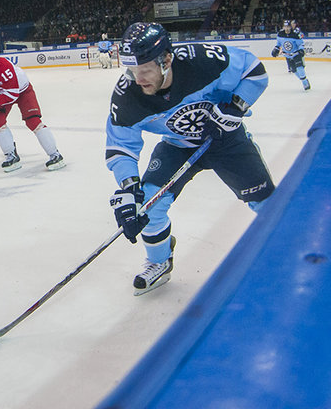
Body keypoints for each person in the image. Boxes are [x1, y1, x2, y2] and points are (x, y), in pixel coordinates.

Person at [106, 22, 274, 295]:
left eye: (145, 70)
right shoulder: (128, 96)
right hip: (177, 146)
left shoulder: (203, 60)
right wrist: (129, 189)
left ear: (166, 60)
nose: (138, 79)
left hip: (226, 139)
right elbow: (120, 147)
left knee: (265, 200)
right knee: (148, 206)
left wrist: (235, 108)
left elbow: (255, 71)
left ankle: (290, 247)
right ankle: (159, 261)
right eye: (131, 70)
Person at [0, 39, 65, 172]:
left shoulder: (2, 65)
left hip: (22, 90)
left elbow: (13, 94)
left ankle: (55, 155)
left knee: (33, 121)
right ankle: (11, 156)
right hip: (2, 91)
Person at [271, 20, 311, 90]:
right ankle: (303, 80)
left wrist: (301, 50)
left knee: (299, 68)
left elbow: (301, 44)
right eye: (285, 26)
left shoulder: (295, 34)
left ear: (290, 27)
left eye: (288, 26)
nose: (286, 28)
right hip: (287, 55)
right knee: (294, 70)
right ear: (283, 27)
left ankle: (305, 82)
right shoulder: (280, 34)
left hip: (296, 54)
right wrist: (276, 49)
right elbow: (279, 44)